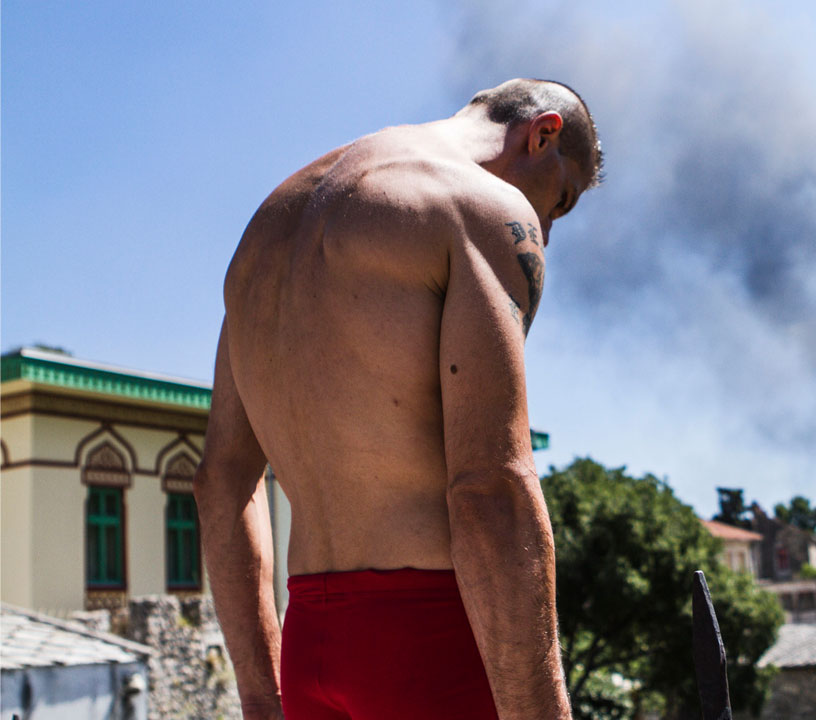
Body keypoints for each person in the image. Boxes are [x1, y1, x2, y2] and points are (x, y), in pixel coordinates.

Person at [193, 79, 602, 720]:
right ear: (542, 134)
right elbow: (490, 489)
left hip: (310, 650)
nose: (547, 231)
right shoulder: (481, 208)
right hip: (433, 645)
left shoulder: (269, 227)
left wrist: (261, 698)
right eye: (562, 201)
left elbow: (221, 482)